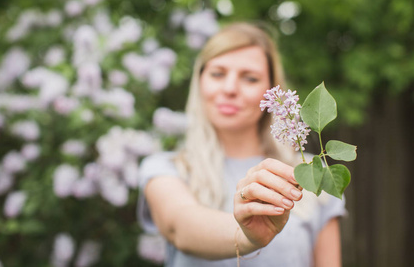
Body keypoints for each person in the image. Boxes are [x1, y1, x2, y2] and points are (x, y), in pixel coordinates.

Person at [137, 22, 346, 266]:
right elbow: (181, 228)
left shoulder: (311, 171)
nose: (230, 89)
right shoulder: (166, 169)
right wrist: (247, 236)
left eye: (249, 78)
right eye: (217, 74)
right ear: (200, 81)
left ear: (271, 91)